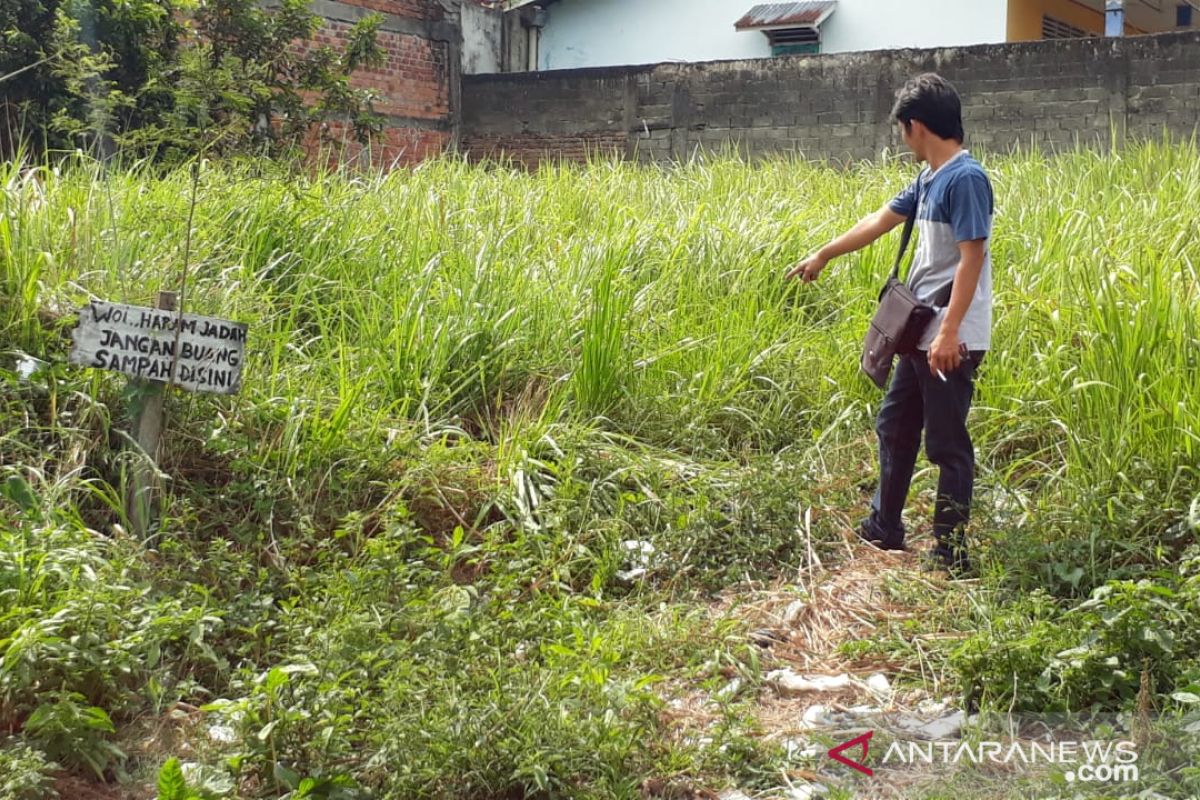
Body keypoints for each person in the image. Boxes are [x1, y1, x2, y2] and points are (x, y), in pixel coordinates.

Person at [786, 73, 995, 577]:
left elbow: (972, 259)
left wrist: (950, 333)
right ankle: (885, 525)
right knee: (896, 425)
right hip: (922, 332)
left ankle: (952, 551)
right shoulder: (929, 178)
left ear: (915, 126)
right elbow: (877, 222)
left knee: (946, 443)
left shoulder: (965, 179)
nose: (902, 140)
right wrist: (823, 254)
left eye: (902, 130)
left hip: (949, 335)